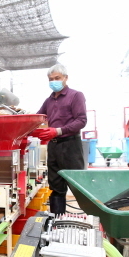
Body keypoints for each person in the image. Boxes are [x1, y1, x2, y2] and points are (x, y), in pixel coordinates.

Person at [34, 64, 87, 215]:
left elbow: (81, 121)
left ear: (65, 78)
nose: (54, 81)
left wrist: (57, 131)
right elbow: (38, 118)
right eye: (51, 79)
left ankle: (88, 218)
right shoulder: (48, 101)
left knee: (77, 184)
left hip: (70, 146)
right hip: (54, 146)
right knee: (55, 186)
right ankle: (57, 221)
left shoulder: (76, 96)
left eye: (57, 78)